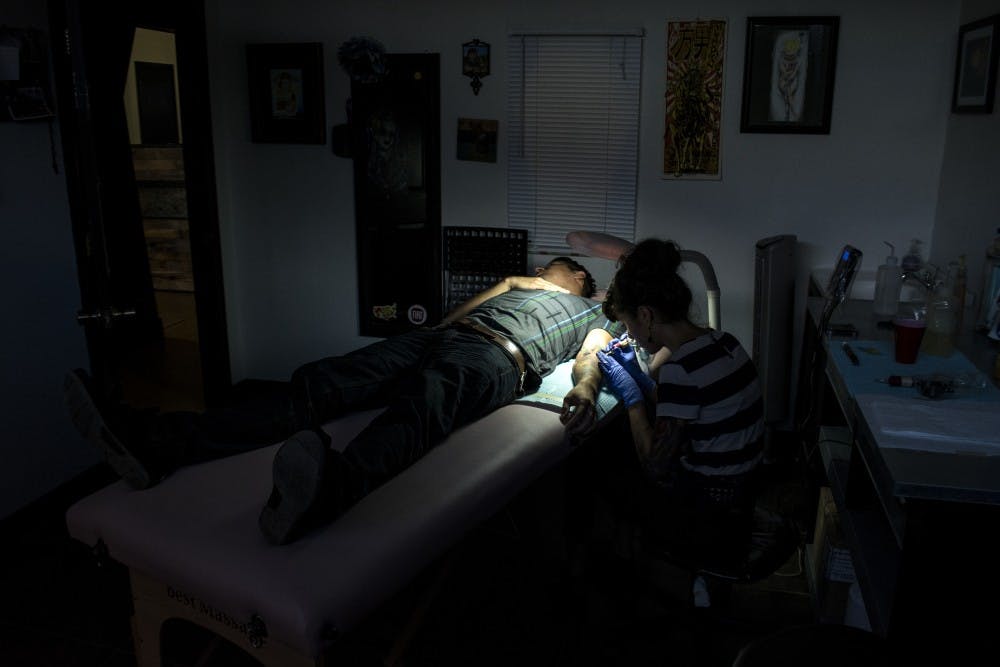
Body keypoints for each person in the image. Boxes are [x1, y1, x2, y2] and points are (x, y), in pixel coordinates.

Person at [65, 257, 618, 545]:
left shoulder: (594, 313)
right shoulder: (520, 285)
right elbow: (473, 305)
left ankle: (329, 492)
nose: (553, 265)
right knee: (322, 382)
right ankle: (157, 444)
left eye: (562, 265)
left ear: (581, 280)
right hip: (446, 337)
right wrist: (505, 288)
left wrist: (586, 389)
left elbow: (592, 357)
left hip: (499, 359)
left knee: (421, 412)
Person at [560, 238, 764, 544]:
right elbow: (699, 409)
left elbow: (654, 467)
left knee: (593, 462)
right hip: (744, 489)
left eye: (629, 324)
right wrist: (645, 384)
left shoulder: (679, 368)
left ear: (645, 315)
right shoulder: (724, 341)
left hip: (709, 508)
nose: (629, 335)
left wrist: (632, 398)